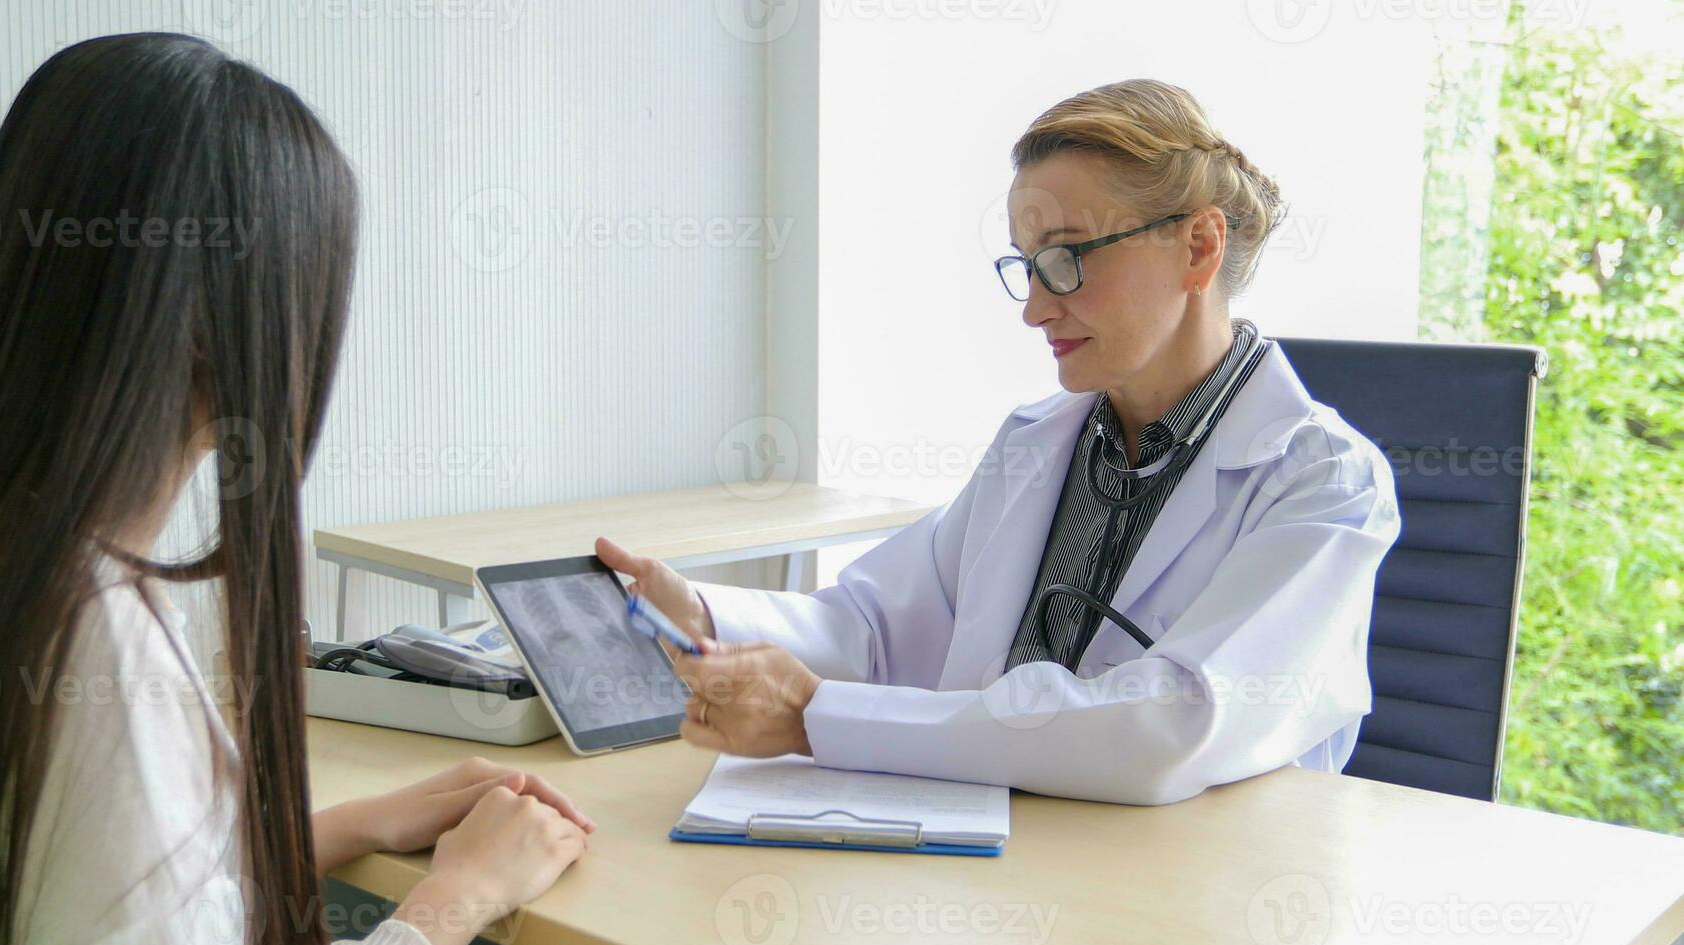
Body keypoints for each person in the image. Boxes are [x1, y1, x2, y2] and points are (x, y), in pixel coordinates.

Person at [0, 34, 590, 945]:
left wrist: (364, 822)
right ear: (233, 330)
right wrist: (453, 902)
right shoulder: (97, 648)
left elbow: (92, 904)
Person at [598, 78, 1401, 807]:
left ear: (1197, 246)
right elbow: (880, 629)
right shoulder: (1037, 442)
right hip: (1000, 854)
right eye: (1027, 267)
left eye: (1067, 260)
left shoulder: (1324, 484)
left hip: (1187, 898)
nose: (1035, 310)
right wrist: (698, 611)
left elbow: (1179, 723)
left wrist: (815, 718)